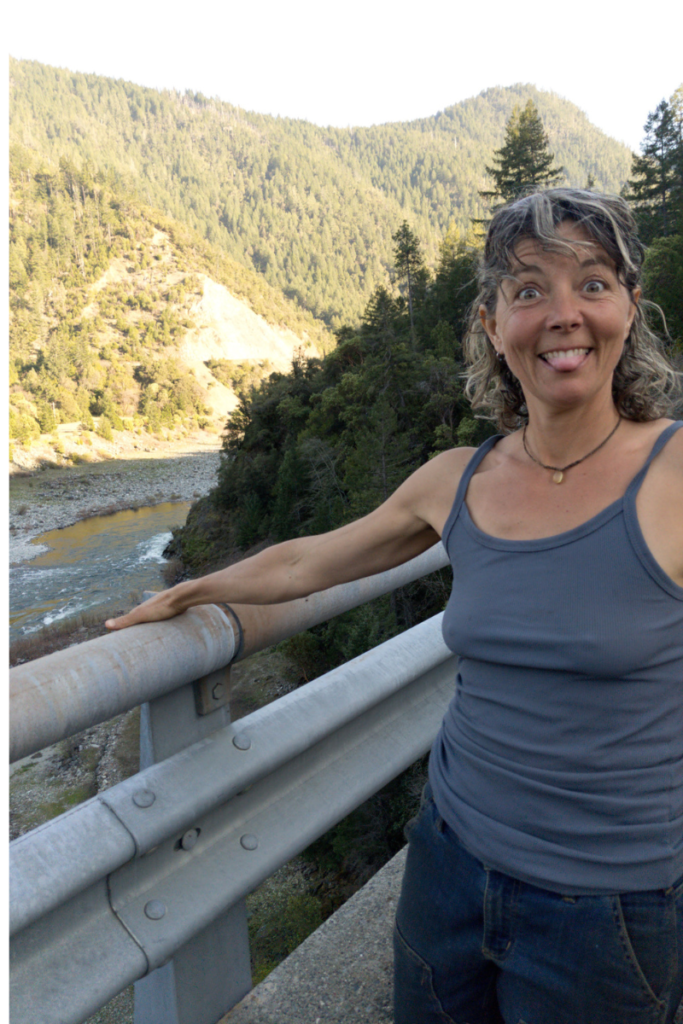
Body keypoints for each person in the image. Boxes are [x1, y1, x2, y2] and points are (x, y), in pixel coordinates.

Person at [106, 188, 683, 1024]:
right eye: (528, 291)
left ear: (629, 306)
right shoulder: (459, 477)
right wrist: (194, 589)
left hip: (609, 910)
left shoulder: (671, 477)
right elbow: (311, 560)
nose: (563, 314)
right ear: (491, 324)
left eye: (591, 284)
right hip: (448, 867)